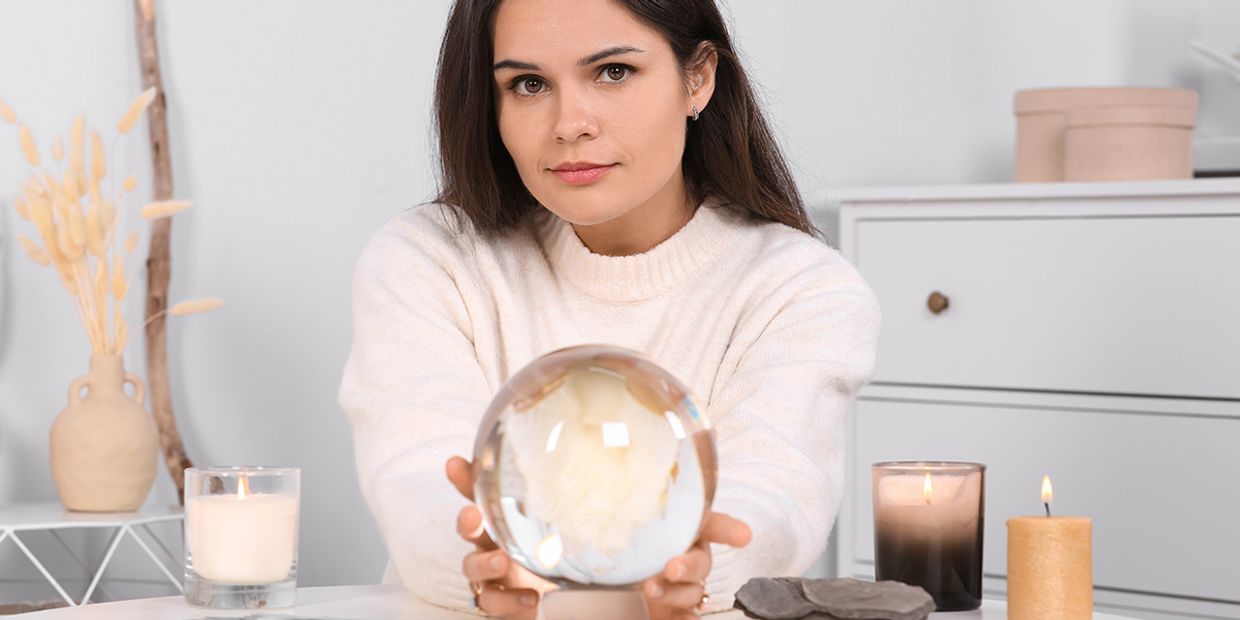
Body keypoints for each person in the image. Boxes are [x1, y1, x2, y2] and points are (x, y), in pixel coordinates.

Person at [338, 0, 881, 618]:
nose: (570, 124)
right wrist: (479, 561)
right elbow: (419, 484)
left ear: (698, 78)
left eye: (613, 72)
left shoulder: (802, 288)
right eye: (529, 84)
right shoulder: (429, 259)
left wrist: (698, 567)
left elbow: (778, 497)